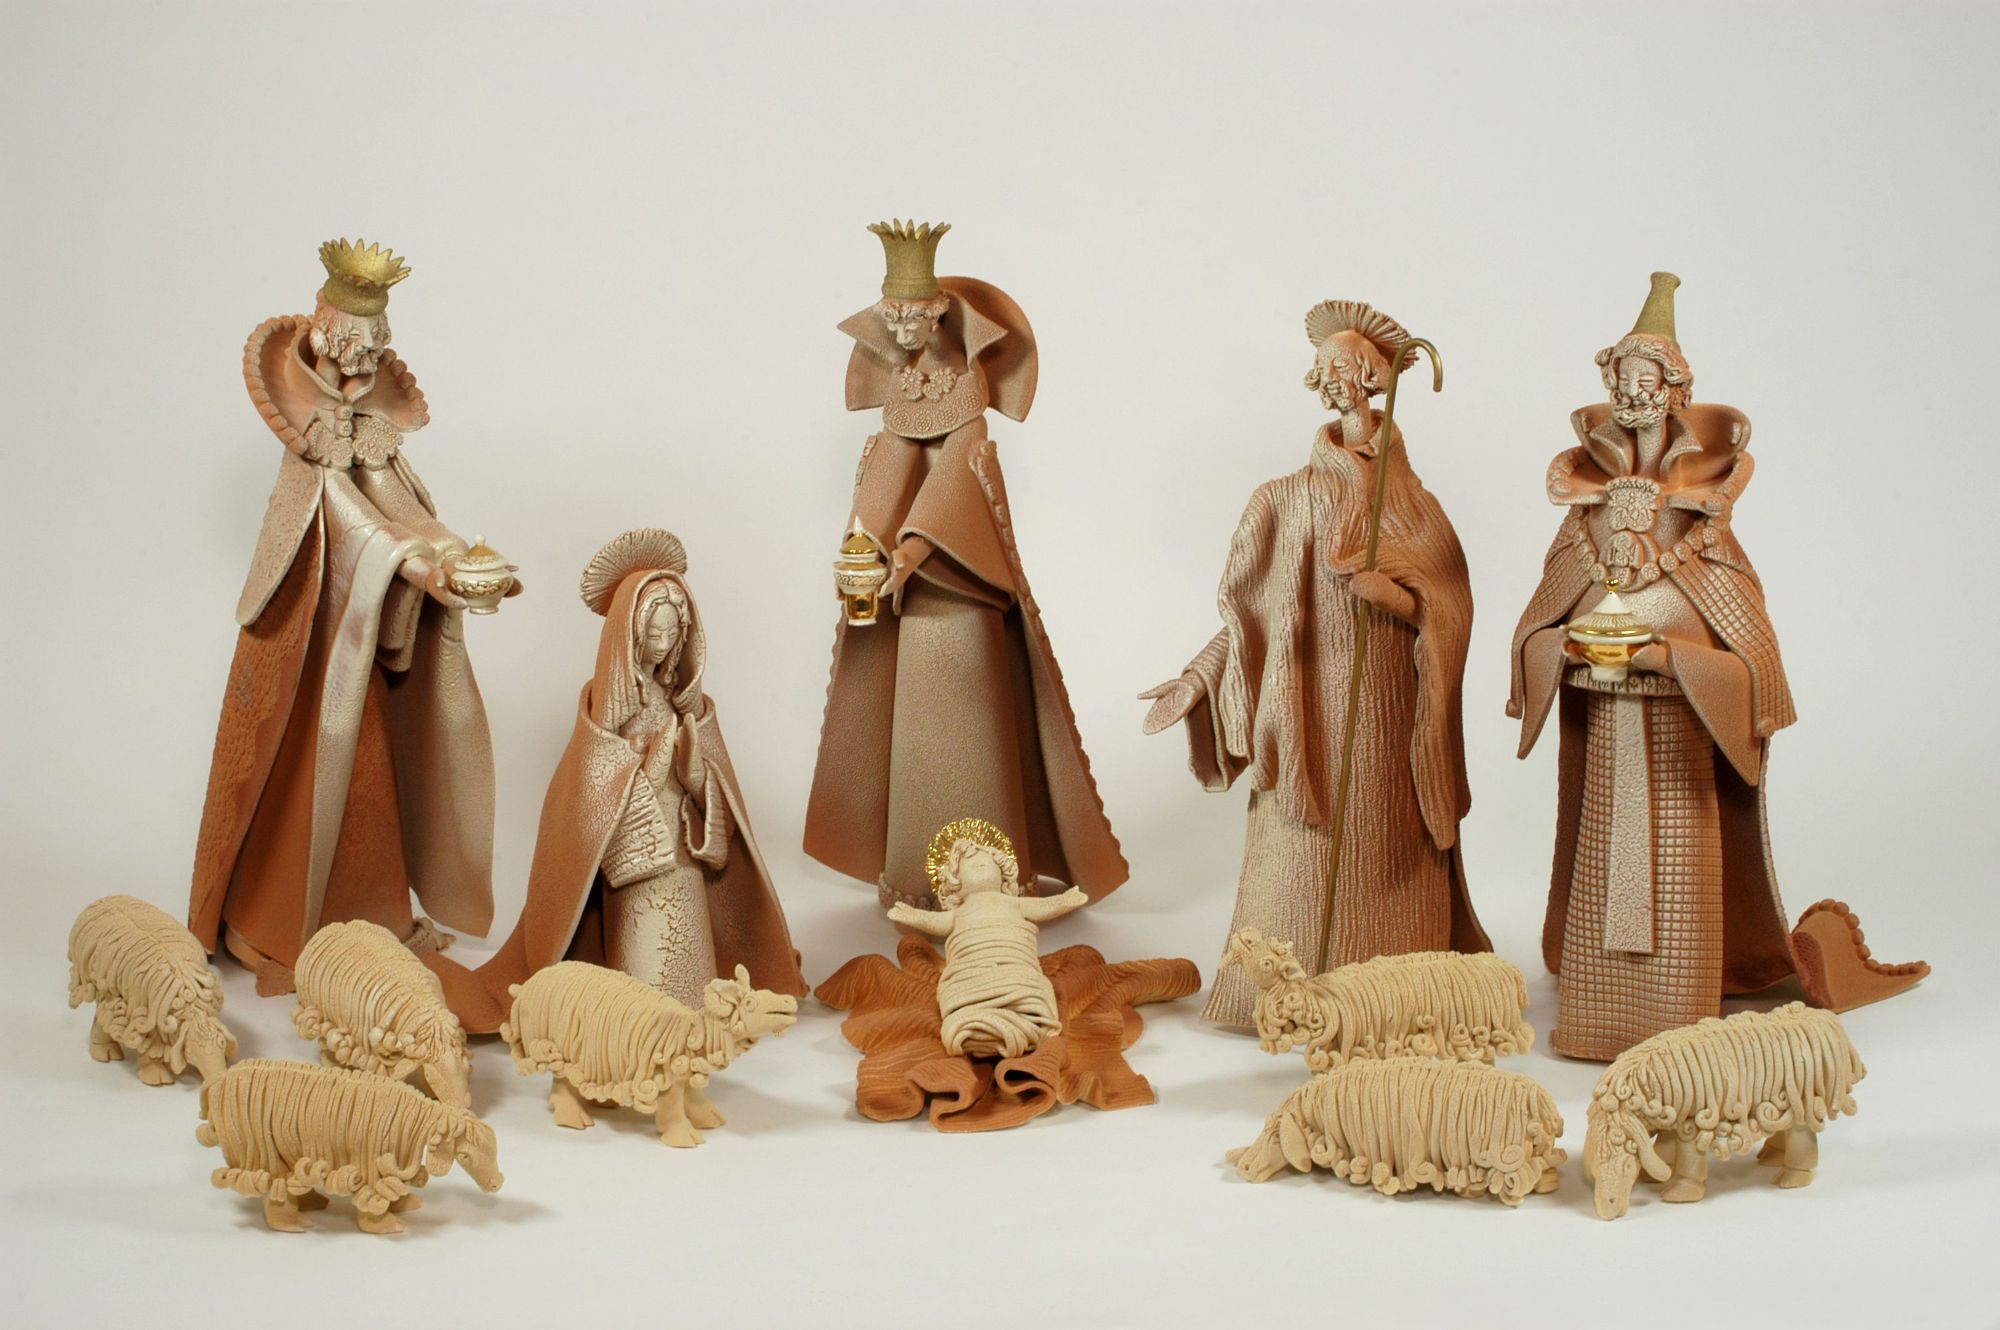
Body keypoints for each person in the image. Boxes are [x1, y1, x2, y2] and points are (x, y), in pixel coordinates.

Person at [1144, 300, 1487, 1027]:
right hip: (1305, 710)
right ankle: (1278, 994)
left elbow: (1450, 602)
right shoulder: (1282, 499)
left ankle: (1391, 1000)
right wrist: (1203, 675)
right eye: (1322, 368)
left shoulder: (1414, 503)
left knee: (1381, 842)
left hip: (1388, 708)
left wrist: (1396, 596)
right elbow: (1253, 618)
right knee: (1300, 852)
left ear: (1371, 378)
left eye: (1343, 367)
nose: (1331, 379)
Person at [188, 240, 516, 993]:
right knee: (300, 759)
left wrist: (450, 556)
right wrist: (412, 564)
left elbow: (397, 501)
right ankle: (282, 922)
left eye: (378, 343)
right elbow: (343, 514)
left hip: (358, 632)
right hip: (309, 636)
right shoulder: (308, 432)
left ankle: (373, 916)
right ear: (328, 335)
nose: (368, 358)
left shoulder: (368, 425)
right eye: (358, 343)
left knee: (368, 765)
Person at [804, 221, 1127, 913]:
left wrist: (912, 551)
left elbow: (955, 485)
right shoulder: (903, 395)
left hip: (960, 587)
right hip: (907, 596)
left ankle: (989, 875)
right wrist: (864, 543)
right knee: (916, 728)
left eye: (912, 318)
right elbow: (889, 472)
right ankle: (916, 876)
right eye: (893, 319)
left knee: (967, 723)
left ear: (939, 316)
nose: (902, 331)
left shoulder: (967, 402)